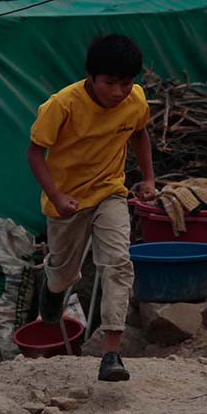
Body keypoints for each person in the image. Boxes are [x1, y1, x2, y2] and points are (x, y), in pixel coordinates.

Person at [26, 34, 156, 382]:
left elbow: (140, 134)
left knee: (117, 263)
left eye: (126, 83)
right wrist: (55, 196)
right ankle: (53, 288)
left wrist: (148, 179)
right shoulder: (62, 105)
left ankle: (111, 353)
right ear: (90, 76)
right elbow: (35, 153)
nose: (117, 92)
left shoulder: (136, 100)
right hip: (66, 200)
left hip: (110, 192)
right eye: (109, 83)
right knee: (66, 273)